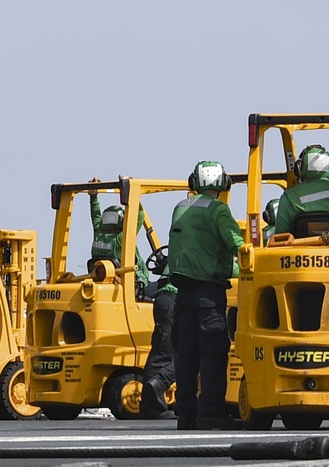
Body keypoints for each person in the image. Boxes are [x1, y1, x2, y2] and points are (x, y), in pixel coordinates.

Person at [167, 161, 243, 431]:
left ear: (193, 182)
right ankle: (211, 414)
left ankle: (186, 415)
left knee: (186, 355)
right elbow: (238, 244)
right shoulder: (219, 210)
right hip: (209, 294)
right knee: (213, 353)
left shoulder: (181, 207)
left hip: (182, 293)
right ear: (224, 184)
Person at [140, 260, 176, 418]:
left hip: (162, 298)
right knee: (191, 351)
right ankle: (160, 381)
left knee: (160, 352)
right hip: (177, 298)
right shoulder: (211, 244)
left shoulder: (180, 243)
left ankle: (149, 406)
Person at [88, 194, 148, 288]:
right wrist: (132, 195)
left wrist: (93, 196)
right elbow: (140, 216)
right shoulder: (122, 237)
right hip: (133, 282)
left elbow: (95, 215)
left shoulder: (98, 233)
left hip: (102, 279)